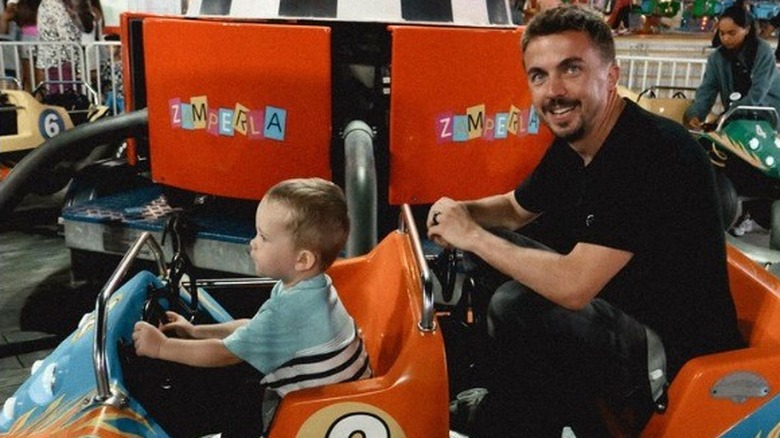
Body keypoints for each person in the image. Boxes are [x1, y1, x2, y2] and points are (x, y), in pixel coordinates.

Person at [428, 5, 745, 437]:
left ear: (611, 77)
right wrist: (463, 213)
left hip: (672, 351)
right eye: (539, 75)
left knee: (514, 303)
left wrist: (472, 236)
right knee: (492, 253)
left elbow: (574, 286)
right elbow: (516, 208)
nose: (553, 90)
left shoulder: (652, 153)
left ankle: (516, 419)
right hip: (620, 307)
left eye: (571, 69)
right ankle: (509, 399)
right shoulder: (579, 137)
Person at [131, 178, 372, 437]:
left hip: (319, 413)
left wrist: (161, 347)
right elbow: (252, 327)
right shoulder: (310, 286)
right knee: (243, 389)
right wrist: (195, 331)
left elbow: (224, 354)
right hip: (332, 396)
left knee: (233, 394)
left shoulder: (290, 312)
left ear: (302, 259)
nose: (252, 243)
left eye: (264, 237)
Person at [685, 0, 780, 130]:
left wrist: (729, 114)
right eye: (722, 33)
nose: (726, 38)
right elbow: (707, 90)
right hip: (737, 120)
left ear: (746, 29)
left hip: (771, 118)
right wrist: (695, 115)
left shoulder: (763, 51)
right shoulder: (716, 58)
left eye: (732, 33)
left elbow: (758, 93)